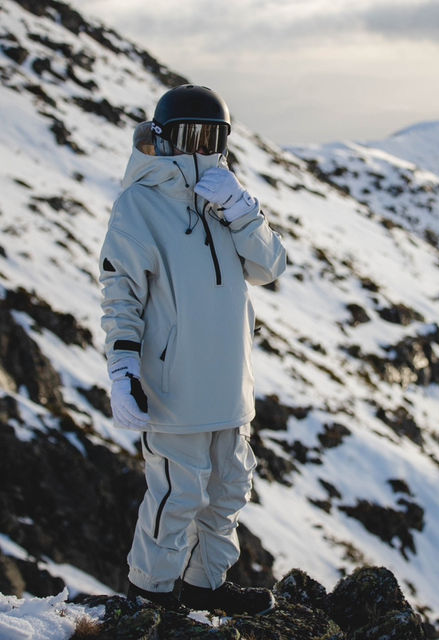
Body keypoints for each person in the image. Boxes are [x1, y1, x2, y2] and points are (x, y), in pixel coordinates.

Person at [99, 84, 286, 615]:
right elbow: (121, 293)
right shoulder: (140, 204)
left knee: (228, 490)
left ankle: (206, 583)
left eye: (212, 136)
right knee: (177, 496)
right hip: (174, 383)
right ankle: (150, 594)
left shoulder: (225, 196)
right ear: (163, 139)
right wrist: (124, 365)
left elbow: (270, 267)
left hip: (230, 381)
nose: (201, 148)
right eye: (188, 136)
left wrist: (242, 208)